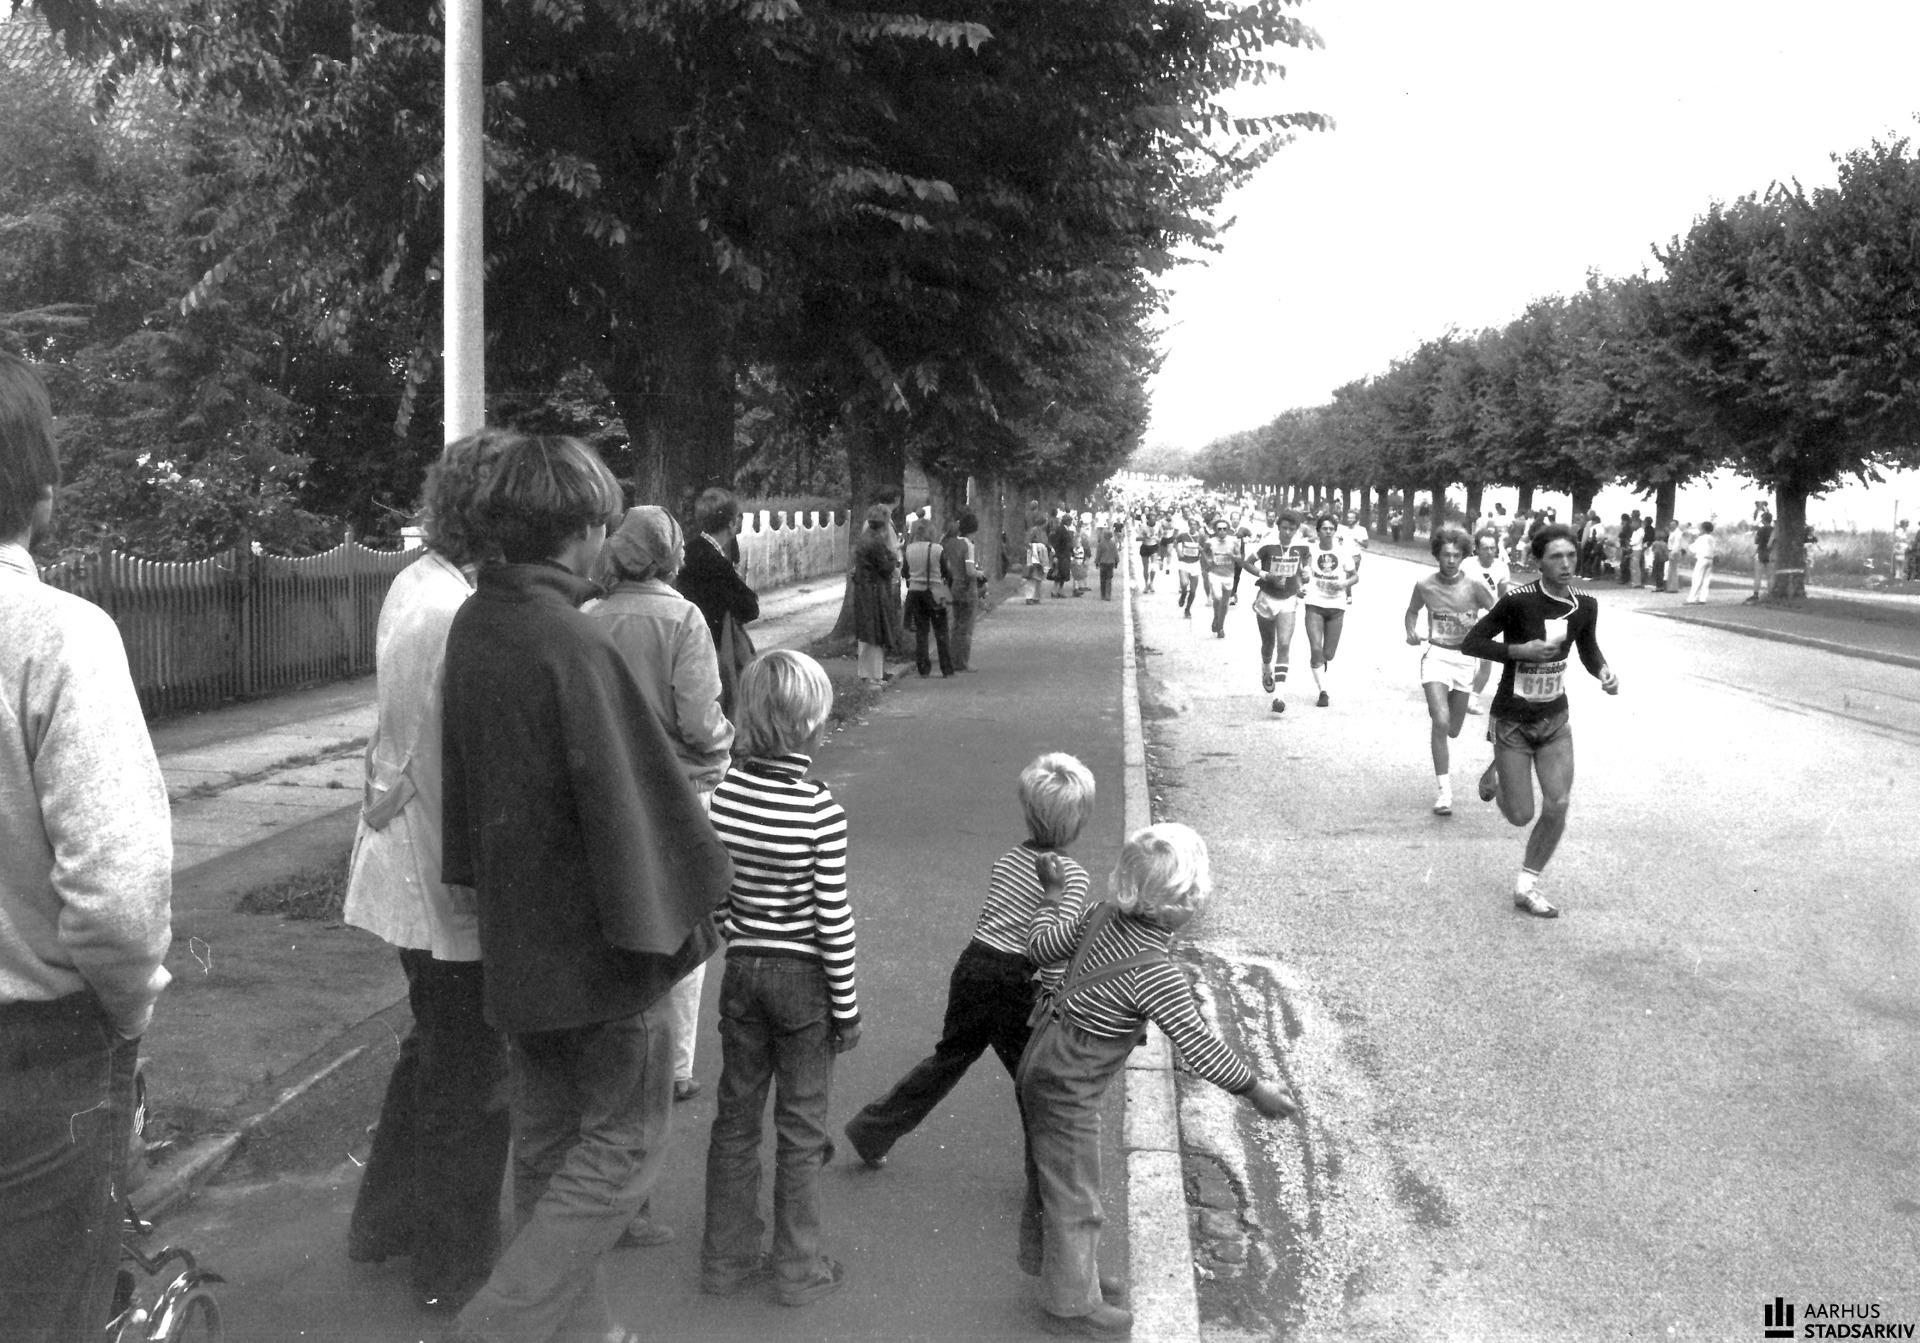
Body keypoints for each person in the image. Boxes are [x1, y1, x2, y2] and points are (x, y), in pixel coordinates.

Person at [440, 433, 734, 1343]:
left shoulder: (478, 621)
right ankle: (496, 1328)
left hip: (520, 939)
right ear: (581, 529)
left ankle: (584, 1333)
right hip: (603, 950)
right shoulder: (571, 640)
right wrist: (705, 892)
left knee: (546, 1149)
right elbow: (637, 804)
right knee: (623, 1147)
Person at [0, 352, 173, 1342]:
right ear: (41, 494)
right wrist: (128, 1011)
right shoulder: (59, 636)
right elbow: (118, 896)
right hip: (38, 1053)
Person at [343, 431, 512, 1312]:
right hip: (437, 879)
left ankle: (386, 1223)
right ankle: (452, 1268)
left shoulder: (419, 583)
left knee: (432, 1051)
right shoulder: (456, 612)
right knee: (468, 1075)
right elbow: (459, 765)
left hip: (405, 864)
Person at [1021, 824, 1296, 1339]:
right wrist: (1254, 1090)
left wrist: (1052, 897)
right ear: (1180, 906)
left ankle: (1067, 1274)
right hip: (1068, 1083)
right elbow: (1200, 1046)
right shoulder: (1156, 973)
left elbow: (1039, 948)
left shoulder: (1098, 913)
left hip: (1041, 1053)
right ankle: (1069, 1306)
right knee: (1076, 1194)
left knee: (1052, 1175)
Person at [843, 753, 1094, 1168]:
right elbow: (1050, 946)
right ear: (1078, 820)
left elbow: (992, 917)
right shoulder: (1071, 877)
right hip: (1018, 981)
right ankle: (1049, 1176)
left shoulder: (1008, 860)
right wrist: (1053, 1000)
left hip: (974, 966)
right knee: (1036, 1081)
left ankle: (874, 1130)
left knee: (949, 1059)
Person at [701, 650, 859, 1307]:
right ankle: (797, 1265)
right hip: (803, 982)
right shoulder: (820, 811)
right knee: (801, 1126)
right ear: (810, 727)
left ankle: (727, 1258)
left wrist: (737, 934)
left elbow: (715, 892)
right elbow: (832, 917)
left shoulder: (723, 798)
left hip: (742, 972)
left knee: (736, 1116)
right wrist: (846, 1006)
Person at [589, 505, 736, 1121]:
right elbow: (699, 719)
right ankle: (674, 1067)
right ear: (671, 554)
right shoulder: (683, 618)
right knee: (684, 922)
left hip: (607, 790)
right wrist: (726, 746)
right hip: (678, 792)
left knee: (617, 917)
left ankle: (615, 1054)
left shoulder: (589, 618)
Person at [1461, 524, 1620, 919]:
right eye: (1556, 557)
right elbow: (1472, 642)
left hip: (1554, 719)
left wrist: (1604, 672)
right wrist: (1520, 651)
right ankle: (1502, 771)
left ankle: (1526, 885)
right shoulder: (1518, 601)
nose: (1566, 564)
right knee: (1520, 815)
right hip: (1513, 720)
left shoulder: (1585, 604)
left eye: (1571, 556)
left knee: (1558, 803)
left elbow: (1588, 648)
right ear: (1538, 561)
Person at [1404, 527, 1497, 817]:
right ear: (1437, 555)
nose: (1452, 560)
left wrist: (1483, 637)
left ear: (1464, 556)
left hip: (1465, 660)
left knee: (1453, 729)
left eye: (1457, 555)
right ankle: (1444, 792)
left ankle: (1447, 733)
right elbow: (1412, 611)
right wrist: (1410, 630)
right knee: (1440, 722)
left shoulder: (1475, 585)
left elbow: (1497, 613)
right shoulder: (1424, 584)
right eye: (1446, 555)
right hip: (1436, 656)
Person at [676, 487, 761, 716]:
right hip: (715, 650)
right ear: (732, 523)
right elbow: (750, 608)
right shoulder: (716, 562)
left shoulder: (688, 552)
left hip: (687, 645)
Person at [1239, 510, 1311, 713]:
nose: (1288, 532)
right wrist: (1266, 575)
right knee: (1268, 643)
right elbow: (1246, 563)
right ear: (1278, 527)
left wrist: (1305, 575)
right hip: (1267, 598)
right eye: (1284, 528)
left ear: (1296, 530)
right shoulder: (1267, 543)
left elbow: (1306, 561)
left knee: (1285, 644)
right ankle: (1265, 668)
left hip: (1288, 599)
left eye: (1292, 529)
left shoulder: (1301, 545)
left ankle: (1279, 696)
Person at [1301, 513, 1359, 707]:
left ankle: (1322, 661)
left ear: (1335, 531)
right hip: (1314, 603)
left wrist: (1343, 584)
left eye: (1331, 529)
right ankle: (1323, 692)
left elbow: (1355, 577)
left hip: (1336, 607)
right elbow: (1303, 569)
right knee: (1315, 648)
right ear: (1318, 531)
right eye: (1324, 528)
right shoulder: (1311, 550)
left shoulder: (1343, 552)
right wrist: (1303, 578)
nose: (1328, 532)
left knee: (1329, 654)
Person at [853, 505, 904, 682]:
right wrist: (894, 558)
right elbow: (885, 567)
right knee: (875, 632)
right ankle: (874, 674)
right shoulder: (876, 541)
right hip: (874, 590)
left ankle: (866, 672)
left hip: (864, 589)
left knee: (866, 633)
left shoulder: (864, 538)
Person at [902, 517, 956, 678]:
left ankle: (923, 668)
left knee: (921, 631)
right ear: (931, 532)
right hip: (935, 592)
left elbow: (905, 572)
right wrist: (947, 586)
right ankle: (946, 668)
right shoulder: (937, 549)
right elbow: (947, 572)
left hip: (915, 593)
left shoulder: (909, 549)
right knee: (941, 631)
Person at [944, 513, 985, 670]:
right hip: (967, 588)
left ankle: (952, 658)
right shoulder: (968, 545)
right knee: (966, 627)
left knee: (956, 624)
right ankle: (962, 661)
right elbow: (970, 570)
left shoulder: (951, 543)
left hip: (954, 586)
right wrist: (980, 573)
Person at [1201, 516, 1242, 638]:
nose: (1222, 531)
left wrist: (1232, 556)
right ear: (1215, 530)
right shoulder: (1210, 542)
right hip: (1215, 574)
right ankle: (1216, 617)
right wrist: (1208, 561)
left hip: (1228, 575)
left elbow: (1239, 558)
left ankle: (1220, 626)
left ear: (1228, 530)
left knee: (1225, 604)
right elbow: (1204, 552)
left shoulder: (1233, 541)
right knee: (1217, 598)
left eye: (1224, 529)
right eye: (1219, 529)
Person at [1171, 525, 1203, 619]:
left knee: (1193, 590)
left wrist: (1202, 550)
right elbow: (1174, 542)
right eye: (1191, 525)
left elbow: (1207, 549)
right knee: (1184, 583)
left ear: (1197, 527)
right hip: (1184, 563)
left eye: (1195, 525)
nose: (1193, 527)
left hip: (1195, 564)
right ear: (1189, 526)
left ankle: (1187, 609)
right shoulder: (1183, 535)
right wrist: (1178, 551)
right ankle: (1183, 594)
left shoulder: (1201, 537)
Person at [1685, 520, 1718, 604]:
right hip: (1710, 559)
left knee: (1697, 579)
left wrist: (1689, 543)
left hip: (1702, 559)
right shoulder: (1712, 538)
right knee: (1706, 580)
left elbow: (1693, 548)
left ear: (1703, 529)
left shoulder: (1701, 538)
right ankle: (1703, 598)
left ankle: (1691, 599)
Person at [1749, 511, 1775, 602]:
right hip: (1770, 554)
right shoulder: (1774, 530)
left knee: (1758, 576)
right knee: (1770, 576)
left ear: (1764, 520)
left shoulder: (1761, 529)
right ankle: (1770, 594)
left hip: (1761, 553)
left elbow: (1756, 541)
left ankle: (1755, 594)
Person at [1095, 526, 1120, 601]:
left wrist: (1097, 562)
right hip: (1110, 563)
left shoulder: (1101, 544)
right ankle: (1108, 595)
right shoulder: (1113, 544)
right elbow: (1115, 554)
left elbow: (1098, 554)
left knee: (1102, 579)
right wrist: (1116, 562)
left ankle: (1103, 595)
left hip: (1103, 563)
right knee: (1109, 579)